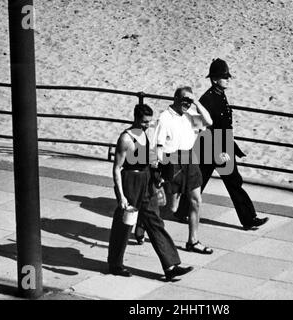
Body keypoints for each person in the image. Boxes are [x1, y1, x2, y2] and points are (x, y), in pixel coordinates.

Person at [175, 59, 269, 230]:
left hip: (218, 145)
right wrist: (222, 151)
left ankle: (182, 212)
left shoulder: (218, 94)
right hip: (213, 147)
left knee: (205, 181)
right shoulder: (208, 98)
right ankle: (249, 219)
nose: (228, 79)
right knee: (228, 182)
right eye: (224, 77)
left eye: (227, 77)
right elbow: (204, 126)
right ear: (214, 79)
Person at [108, 103, 193, 281]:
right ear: (136, 118)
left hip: (146, 181)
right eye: (145, 122)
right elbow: (117, 169)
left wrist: (157, 174)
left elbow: (149, 159)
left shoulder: (145, 134)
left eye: (149, 121)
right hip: (131, 181)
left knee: (155, 221)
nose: (148, 125)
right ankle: (115, 264)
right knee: (124, 225)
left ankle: (170, 266)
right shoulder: (125, 139)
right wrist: (121, 196)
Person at [155, 86, 214, 254]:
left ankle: (193, 241)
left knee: (196, 200)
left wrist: (196, 102)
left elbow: (209, 122)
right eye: (184, 100)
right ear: (175, 98)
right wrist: (159, 167)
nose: (187, 104)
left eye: (189, 101)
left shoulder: (190, 116)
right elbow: (158, 145)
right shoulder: (165, 118)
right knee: (170, 208)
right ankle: (144, 225)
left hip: (190, 159)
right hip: (171, 160)